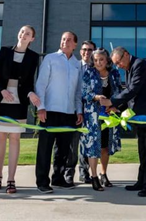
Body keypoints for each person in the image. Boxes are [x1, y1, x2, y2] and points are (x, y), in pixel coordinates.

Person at [100, 47, 146, 197]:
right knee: (142, 151)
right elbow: (131, 94)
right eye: (116, 64)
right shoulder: (130, 68)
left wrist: (111, 101)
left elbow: (133, 90)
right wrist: (114, 107)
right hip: (141, 117)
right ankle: (141, 181)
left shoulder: (140, 65)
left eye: (119, 62)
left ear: (126, 55)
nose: (118, 66)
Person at [0, 25, 41, 194]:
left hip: (19, 101)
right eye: (22, 32)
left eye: (28, 34)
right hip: (1, 98)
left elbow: (28, 83)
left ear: (32, 38)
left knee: (15, 138)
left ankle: (11, 179)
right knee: (0, 138)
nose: (23, 35)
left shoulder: (33, 57)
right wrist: (2, 90)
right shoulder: (4, 51)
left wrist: (31, 94)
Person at [34, 31, 83, 194]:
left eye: (69, 40)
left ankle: (58, 178)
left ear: (75, 44)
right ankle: (42, 181)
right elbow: (40, 84)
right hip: (49, 110)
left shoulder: (77, 64)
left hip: (69, 112)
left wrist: (79, 111)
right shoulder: (50, 59)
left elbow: (78, 91)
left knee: (63, 149)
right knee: (45, 148)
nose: (65, 42)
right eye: (63, 39)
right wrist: (40, 107)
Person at [53, 40, 95, 185]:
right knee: (72, 143)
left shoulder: (96, 68)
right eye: (84, 49)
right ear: (80, 51)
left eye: (90, 50)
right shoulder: (74, 65)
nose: (87, 52)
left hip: (91, 111)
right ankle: (69, 173)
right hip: (74, 110)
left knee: (88, 142)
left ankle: (85, 172)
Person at [80, 48, 122, 191]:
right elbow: (84, 93)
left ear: (107, 60)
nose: (98, 62)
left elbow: (119, 93)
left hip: (109, 116)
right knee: (93, 147)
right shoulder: (89, 73)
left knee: (105, 146)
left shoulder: (115, 74)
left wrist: (115, 105)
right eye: (96, 60)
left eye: (101, 59)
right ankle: (94, 177)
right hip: (93, 117)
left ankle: (103, 173)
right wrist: (96, 97)